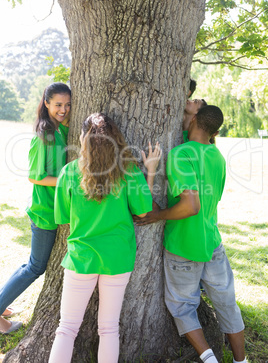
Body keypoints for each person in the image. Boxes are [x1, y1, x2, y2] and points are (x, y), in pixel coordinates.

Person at [135, 106, 247, 363]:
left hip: (184, 245)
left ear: (194, 119)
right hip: (212, 242)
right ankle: (241, 361)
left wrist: (157, 215)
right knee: (227, 303)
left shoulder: (181, 153)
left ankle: (209, 360)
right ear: (216, 132)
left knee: (182, 307)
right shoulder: (217, 156)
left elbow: (191, 206)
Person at [48, 113, 161, 363]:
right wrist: (150, 171)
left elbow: (64, 218)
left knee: (66, 329)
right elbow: (143, 211)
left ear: (83, 139)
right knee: (109, 329)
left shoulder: (68, 173)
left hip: (81, 258)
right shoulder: (129, 170)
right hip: (117, 258)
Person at [0, 82, 71, 334]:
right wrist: (68, 180)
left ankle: (1, 302)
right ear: (47, 103)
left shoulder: (61, 130)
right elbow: (35, 176)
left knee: (30, 263)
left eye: (67, 104)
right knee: (35, 267)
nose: (63, 109)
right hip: (44, 212)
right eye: (58, 105)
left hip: (55, 209)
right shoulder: (44, 136)